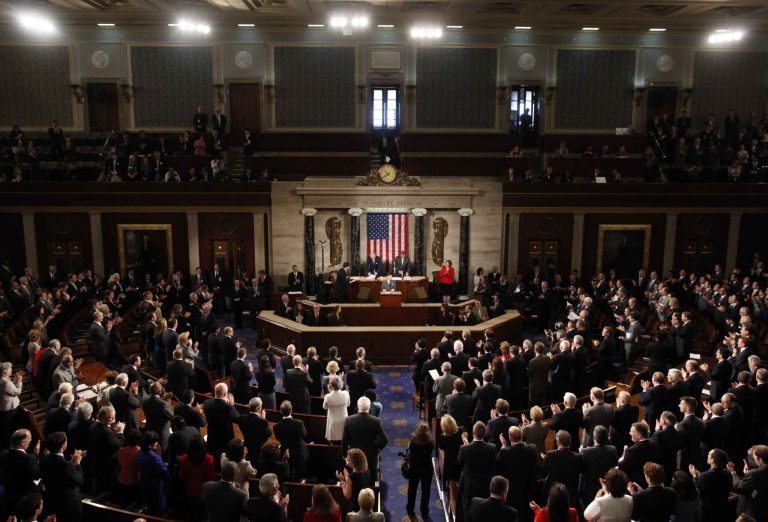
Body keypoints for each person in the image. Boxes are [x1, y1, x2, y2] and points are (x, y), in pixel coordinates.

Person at [39, 431, 84, 522]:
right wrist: (77, 463)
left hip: (52, 499)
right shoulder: (66, 465)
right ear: (63, 445)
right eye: (66, 440)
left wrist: (71, 463)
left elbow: (59, 472)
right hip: (68, 503)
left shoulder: (44, 459)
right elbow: (80, 480)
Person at [497, 426, 539, 522]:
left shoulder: (504, 452)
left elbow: (498, 469)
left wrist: (503, 446)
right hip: (529, 491)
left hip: (512, 494)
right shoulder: (532, 448)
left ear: (510, 438)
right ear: (522, 436)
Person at [458, 421, 497, 522]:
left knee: (467, 512)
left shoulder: (464, 449)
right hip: (485, 485)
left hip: (469, 486)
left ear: (472, 432)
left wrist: (466, 444)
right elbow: (494, 466)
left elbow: (459, 463)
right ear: (485, 433)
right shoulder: (492, 448)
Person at [341, 397, 389, 480]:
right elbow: (385, 439)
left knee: (354, 479)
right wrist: (377, 448)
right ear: (369, 407)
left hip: (354, 455)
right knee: (370, 479)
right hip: (370, 455)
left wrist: (345, 455)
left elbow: (344, 440)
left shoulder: (349, 420)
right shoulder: (376, 421)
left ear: (358, 407)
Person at [0, 429, 40, 518]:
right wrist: (35, 458)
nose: (31, 440)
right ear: (23, 444)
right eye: (30, 438)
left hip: (8, 497)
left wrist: (33, 456)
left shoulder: (3, 453)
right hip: (25, 500)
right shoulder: (29, 459)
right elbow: (36, 476)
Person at [179, 435, 216, 521]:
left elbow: (182, 477)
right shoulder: (209, 459)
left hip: (189, 491)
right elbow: (211, 479)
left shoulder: (184, 458)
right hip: (204, 492)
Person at [203, 383, 239, 466]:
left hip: (212, 436)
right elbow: (237, 419)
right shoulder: (228, 407)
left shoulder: (207, 403)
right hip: (225, 440)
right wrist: (232, 405)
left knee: (213, 461)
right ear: (226, 394)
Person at [273, 400, 309, 481]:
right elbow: (305, 435)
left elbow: (278, 438)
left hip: (285, 453)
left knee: (287, 477)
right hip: (299, 454)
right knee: (300, 477)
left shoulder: (276, 426)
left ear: (281, 412)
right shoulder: (299, 423)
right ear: (291, 410)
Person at [405, 422, 434, 519]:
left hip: (415, 468)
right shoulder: (430, 442)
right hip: (427, 469)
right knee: (426, 490)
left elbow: (410, 455)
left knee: (412, 489)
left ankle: (410, 508)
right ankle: (424, 510)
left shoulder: (413, 440)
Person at [136, 430, 168, 515]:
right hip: (155, 487)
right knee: (158, 510)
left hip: (143, 484)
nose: (157, 443)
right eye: (155, 442)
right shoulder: (154, 458)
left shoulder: (139, 452)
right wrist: (160, 458)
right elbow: (164, 471)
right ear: (150, 445)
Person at [438, 415, 463, 516]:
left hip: (450, 463)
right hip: (461, 461)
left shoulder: (443, 437)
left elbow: (441, 448)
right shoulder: (461, 431)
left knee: (452, 485)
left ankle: (454, 507)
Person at [238, 398, 273, 467]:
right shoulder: (262, 422)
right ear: (259, 408)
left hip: (247, 448)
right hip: (259, 452)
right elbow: (269, 433)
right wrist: (263, 419)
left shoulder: (242, 418)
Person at [336, 448, 371, 514]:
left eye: (349, 460)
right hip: (365, 505)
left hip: (355, 508)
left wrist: (342, 481)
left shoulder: (351, 477)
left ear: (354, 461)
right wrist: (347, 478)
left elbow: (347, 496)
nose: (347, 461)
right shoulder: (367, 471)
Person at [115, 429, 141, 505]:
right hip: (134, 480)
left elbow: (120, 463)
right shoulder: (139, 452)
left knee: (123, 501)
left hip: (121, 479)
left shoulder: (121, 450)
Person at [323, 375, 349, 442]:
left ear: (331, 385)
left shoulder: (328, 396)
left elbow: (324, 407)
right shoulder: (346, 393)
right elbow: (348, 404)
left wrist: (330, 392)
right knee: (343, 439)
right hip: (343, 419)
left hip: (333, 421)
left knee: (333, 440)